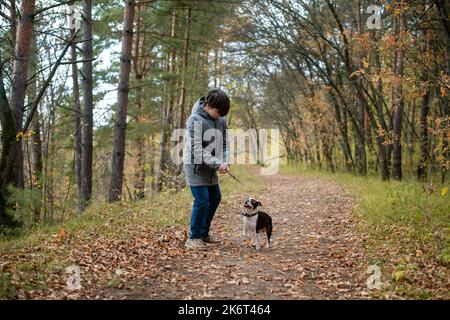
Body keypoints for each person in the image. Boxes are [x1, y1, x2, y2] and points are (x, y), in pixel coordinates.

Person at [183, 88, 230, 250]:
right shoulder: (194, 120)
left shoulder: (221, 120)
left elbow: (224, 144)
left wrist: (225, 161)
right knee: (202, 200)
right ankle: (193, 237)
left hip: (211, 167)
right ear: (208, 105)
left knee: (215, 197)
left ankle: (203, 234)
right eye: (218, 112)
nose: (220, 116)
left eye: (223, 113)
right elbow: (196, 149)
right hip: (195, 167)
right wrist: (217, 163)